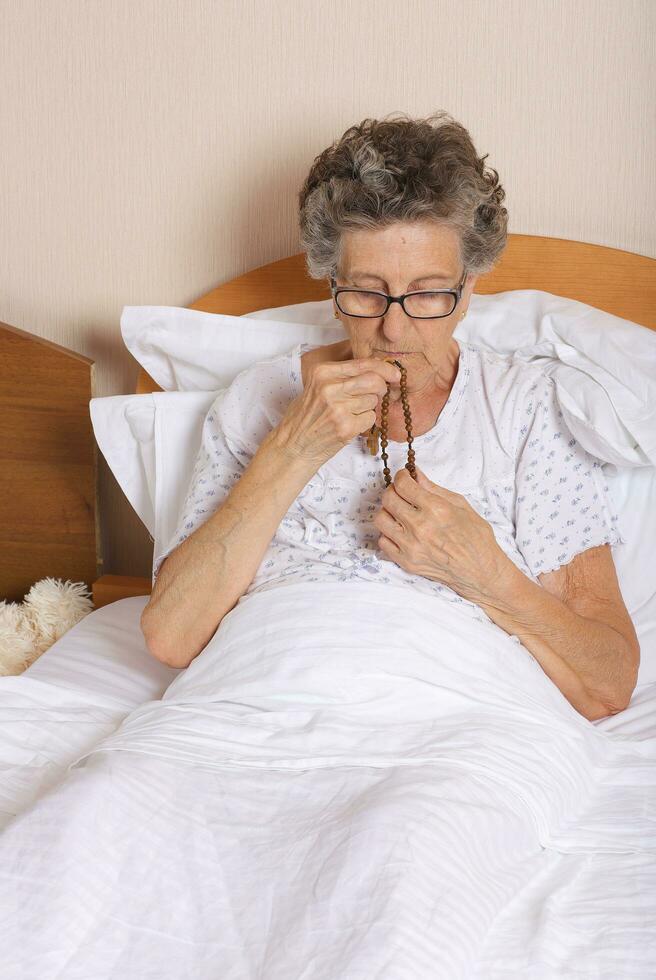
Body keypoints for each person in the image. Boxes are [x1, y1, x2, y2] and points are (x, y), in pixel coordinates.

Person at [142, 110, 639, 722]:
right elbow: (170, 635)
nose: (395, 328)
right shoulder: (257, 399)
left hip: (453, 717)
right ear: (331, 283)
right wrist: (291, 450)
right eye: (367, 293)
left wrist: (486, 575)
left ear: (470, 288)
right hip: (260, 700)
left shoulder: (524, 407)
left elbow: (608, 683)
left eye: (429, 293)